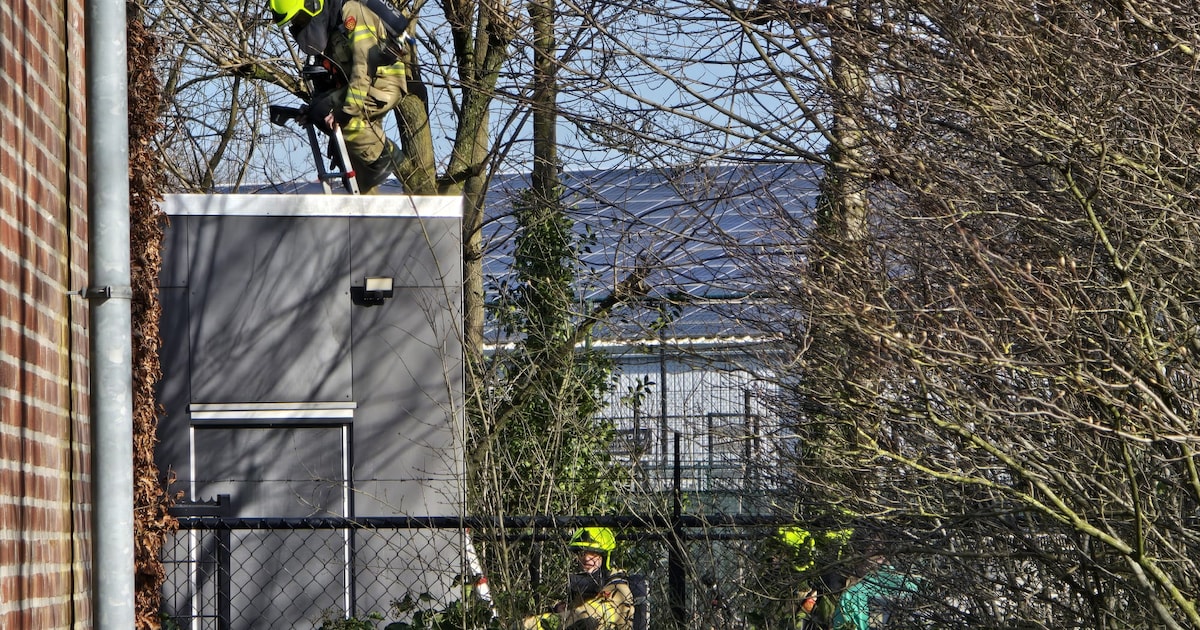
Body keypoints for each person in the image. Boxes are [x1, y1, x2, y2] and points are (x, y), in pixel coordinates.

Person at [268, 0, 410, 193]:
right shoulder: (330, 24)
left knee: (336, 116)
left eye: (300, 19)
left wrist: (345, 112)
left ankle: (385, 157)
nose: (300, 26)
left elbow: (363, 68)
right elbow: (330, 75)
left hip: (383, 82)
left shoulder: (351, 13)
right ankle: (364, 176)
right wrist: (311, 111)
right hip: (361, 85)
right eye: (295, 23)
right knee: (320, 111)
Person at [523, 527, 635, 630]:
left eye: (594, 553)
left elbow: (588, 617)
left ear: (606, 557)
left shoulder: (618, 588)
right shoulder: (584, 586)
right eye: (582, 553)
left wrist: (531, 624)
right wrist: (560, 609)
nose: (586, 558)